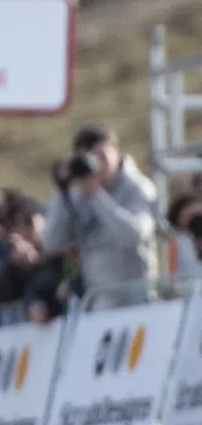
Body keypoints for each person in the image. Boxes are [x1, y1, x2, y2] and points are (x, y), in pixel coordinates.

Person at [42, 123, 159, 307]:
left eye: (102, 156)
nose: (98, 165)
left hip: (138, 300)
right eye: (92, 158)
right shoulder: (80, 195)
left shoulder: (138, 188)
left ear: (117, 151)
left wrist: (97, 196)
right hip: (99, 301)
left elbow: (133, 235)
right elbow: (51, 242)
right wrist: (62, 192)